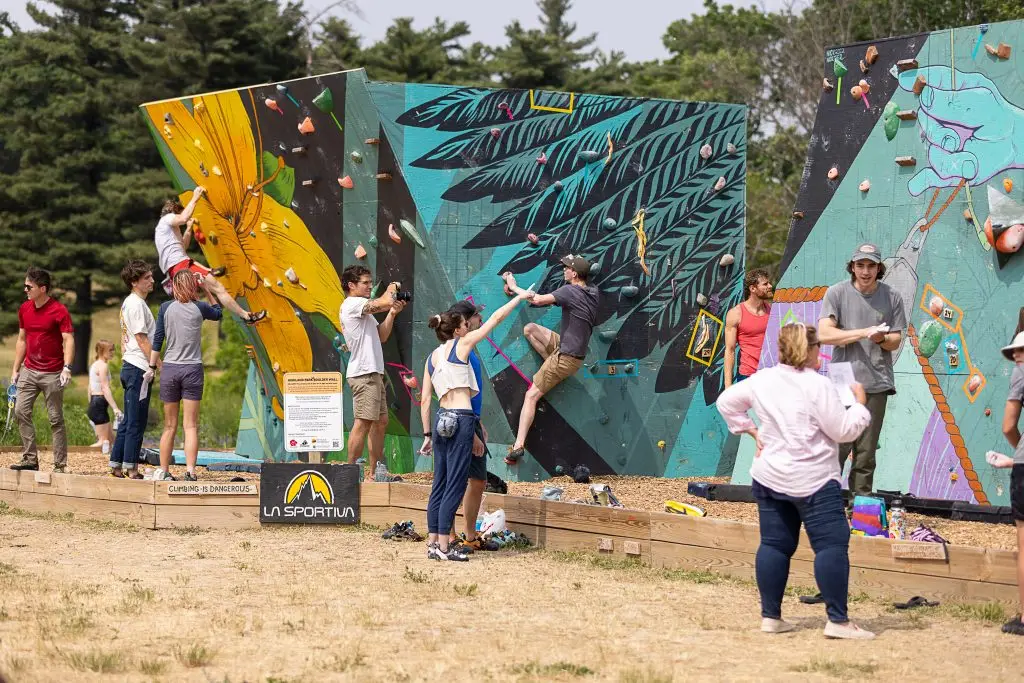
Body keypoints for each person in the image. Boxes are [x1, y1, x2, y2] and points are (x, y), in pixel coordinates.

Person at [717, 322, 875, 639]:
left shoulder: (762, 379)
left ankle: (771, 617)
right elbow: (843, 431)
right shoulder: (819, 385)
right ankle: (838, 621)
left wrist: (751, 431)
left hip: (770, 475)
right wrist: (860, 406)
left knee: (774, 544)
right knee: (831, 544)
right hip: (814, 479)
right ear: (811, 349)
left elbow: (725, 402)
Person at [419, 277, 534, 560]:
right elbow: (495, 320)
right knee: (456, 484)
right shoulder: (462, 345)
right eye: (465, 325)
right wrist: (519, 298)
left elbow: (425, 400)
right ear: (458, 328)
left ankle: (434, 543)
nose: (469, 328)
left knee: (439, 484)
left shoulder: (432, 357)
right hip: (461, 418)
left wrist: (427, 435)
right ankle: (445, 547)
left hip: (441, 418)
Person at [817, 243, 905, 495]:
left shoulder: (892, 296)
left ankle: (860, 507)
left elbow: (895, 340)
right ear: (852, 267)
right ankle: (826, 501)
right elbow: (824, 334)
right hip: (843, 381)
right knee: (838, 447)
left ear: (879, 268)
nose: (865, 271)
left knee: (866, 453)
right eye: (860, 265)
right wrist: (864, 332)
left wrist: (880, 339)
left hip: (877, 381)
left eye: (871, 266)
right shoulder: (836, 293)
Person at [505, 255, 599, 464]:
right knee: (530, 329)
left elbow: (537, 300)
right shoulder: (592, 292)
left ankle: (518, 446)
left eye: (567, 268)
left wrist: (513, 286)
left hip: (565, 357)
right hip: (566, 349)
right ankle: (552, 367)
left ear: (575, 274)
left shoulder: (570, 291)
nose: (564, 270)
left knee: (531, 396)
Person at [149, 270, 223, 482]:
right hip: (192, 369)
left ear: (174, 286)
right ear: (192, 285)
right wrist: (207, 289)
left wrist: (152, 366)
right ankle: (190, 471)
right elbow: (218, 313)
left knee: (169, 426)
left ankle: (164, 471)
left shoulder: (165, 308)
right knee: (190, 425)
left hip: (170, 370)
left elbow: (158, 339)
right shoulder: (200, 308)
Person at [155, 189, 265, 324]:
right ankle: (247, 316)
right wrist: (195, 197)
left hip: (179, 267)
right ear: (174, 212)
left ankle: (212, 272)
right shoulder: (167, 219)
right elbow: (183, 218)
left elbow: (183, 247)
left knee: (211, 290)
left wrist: (188, 229)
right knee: (218, 288)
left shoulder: (164, 231)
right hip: (181, 266)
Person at [339, 265, 407, 480]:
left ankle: (375, 472)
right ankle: (350, 473)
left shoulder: (362, 309)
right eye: (365, 283)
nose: (370, 286)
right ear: (351, 285)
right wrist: (394, 286)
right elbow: (385, 301)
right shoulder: (353, 304)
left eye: (370, 282)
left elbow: (382, 336)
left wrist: (393, 313)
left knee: (380, 421)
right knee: (363, 421)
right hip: (363, 373)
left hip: (373, 372)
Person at [444, 300, 500, 554]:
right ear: (464, 322)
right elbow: (457, 394)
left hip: (471, 420)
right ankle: (449, 535)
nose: (479, 321)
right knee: (453, 479)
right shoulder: (457, 351)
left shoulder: (469, 349)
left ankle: (470, 536)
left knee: (478, 480)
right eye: (476, 317)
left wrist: (479, 422)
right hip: (460, 421)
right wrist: (471, 431)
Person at [9, 268, 74, 473]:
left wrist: (67, 368)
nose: (25, 290)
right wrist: (15, 370)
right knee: (20, 411)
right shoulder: (24, 309)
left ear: (42, 289)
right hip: (29, 370)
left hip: (53, 373)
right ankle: (30, 459)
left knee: (55, 419)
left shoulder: (59, 310)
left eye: (29, 287)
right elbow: (21, 340)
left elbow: (68, 339)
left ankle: (60, 465)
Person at [110, 260, 156, 479]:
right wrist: (157, 365)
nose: (152, 280)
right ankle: (132, 467)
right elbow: (141, 338)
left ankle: (116, 464)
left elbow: (123, 338)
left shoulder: (129, 303)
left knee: (128, 420)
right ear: (134, 282)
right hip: (139, 368)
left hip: (130, 364)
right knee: (137, 420)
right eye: (147, 278)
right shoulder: (136, 304)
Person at [991, 331, 1024, 636]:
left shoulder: (1020, 374)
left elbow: (1008, 426)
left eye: (1020, 351)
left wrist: (1019, 451)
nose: (1015, 356)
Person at [724, 268, 773, 387]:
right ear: (753, 288)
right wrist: (728, 386)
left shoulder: (773, 311)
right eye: (765, 284)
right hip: (748, 377)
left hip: (771, 375)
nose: (770, 286)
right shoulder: (736, 314)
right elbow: (730, 351)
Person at [87, 340, 122, 455]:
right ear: (102, 351)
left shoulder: (95, 365)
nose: (113, 353)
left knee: (111, 440)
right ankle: (83, 455)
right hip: (99, 403)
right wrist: (115, 408)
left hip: (96, 403)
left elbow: (90, 387)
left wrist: (91, 404)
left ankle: (116, 459)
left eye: (113, 350)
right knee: (103, 442)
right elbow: (105, 388)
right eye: (110, 350)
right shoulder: (103, 366)